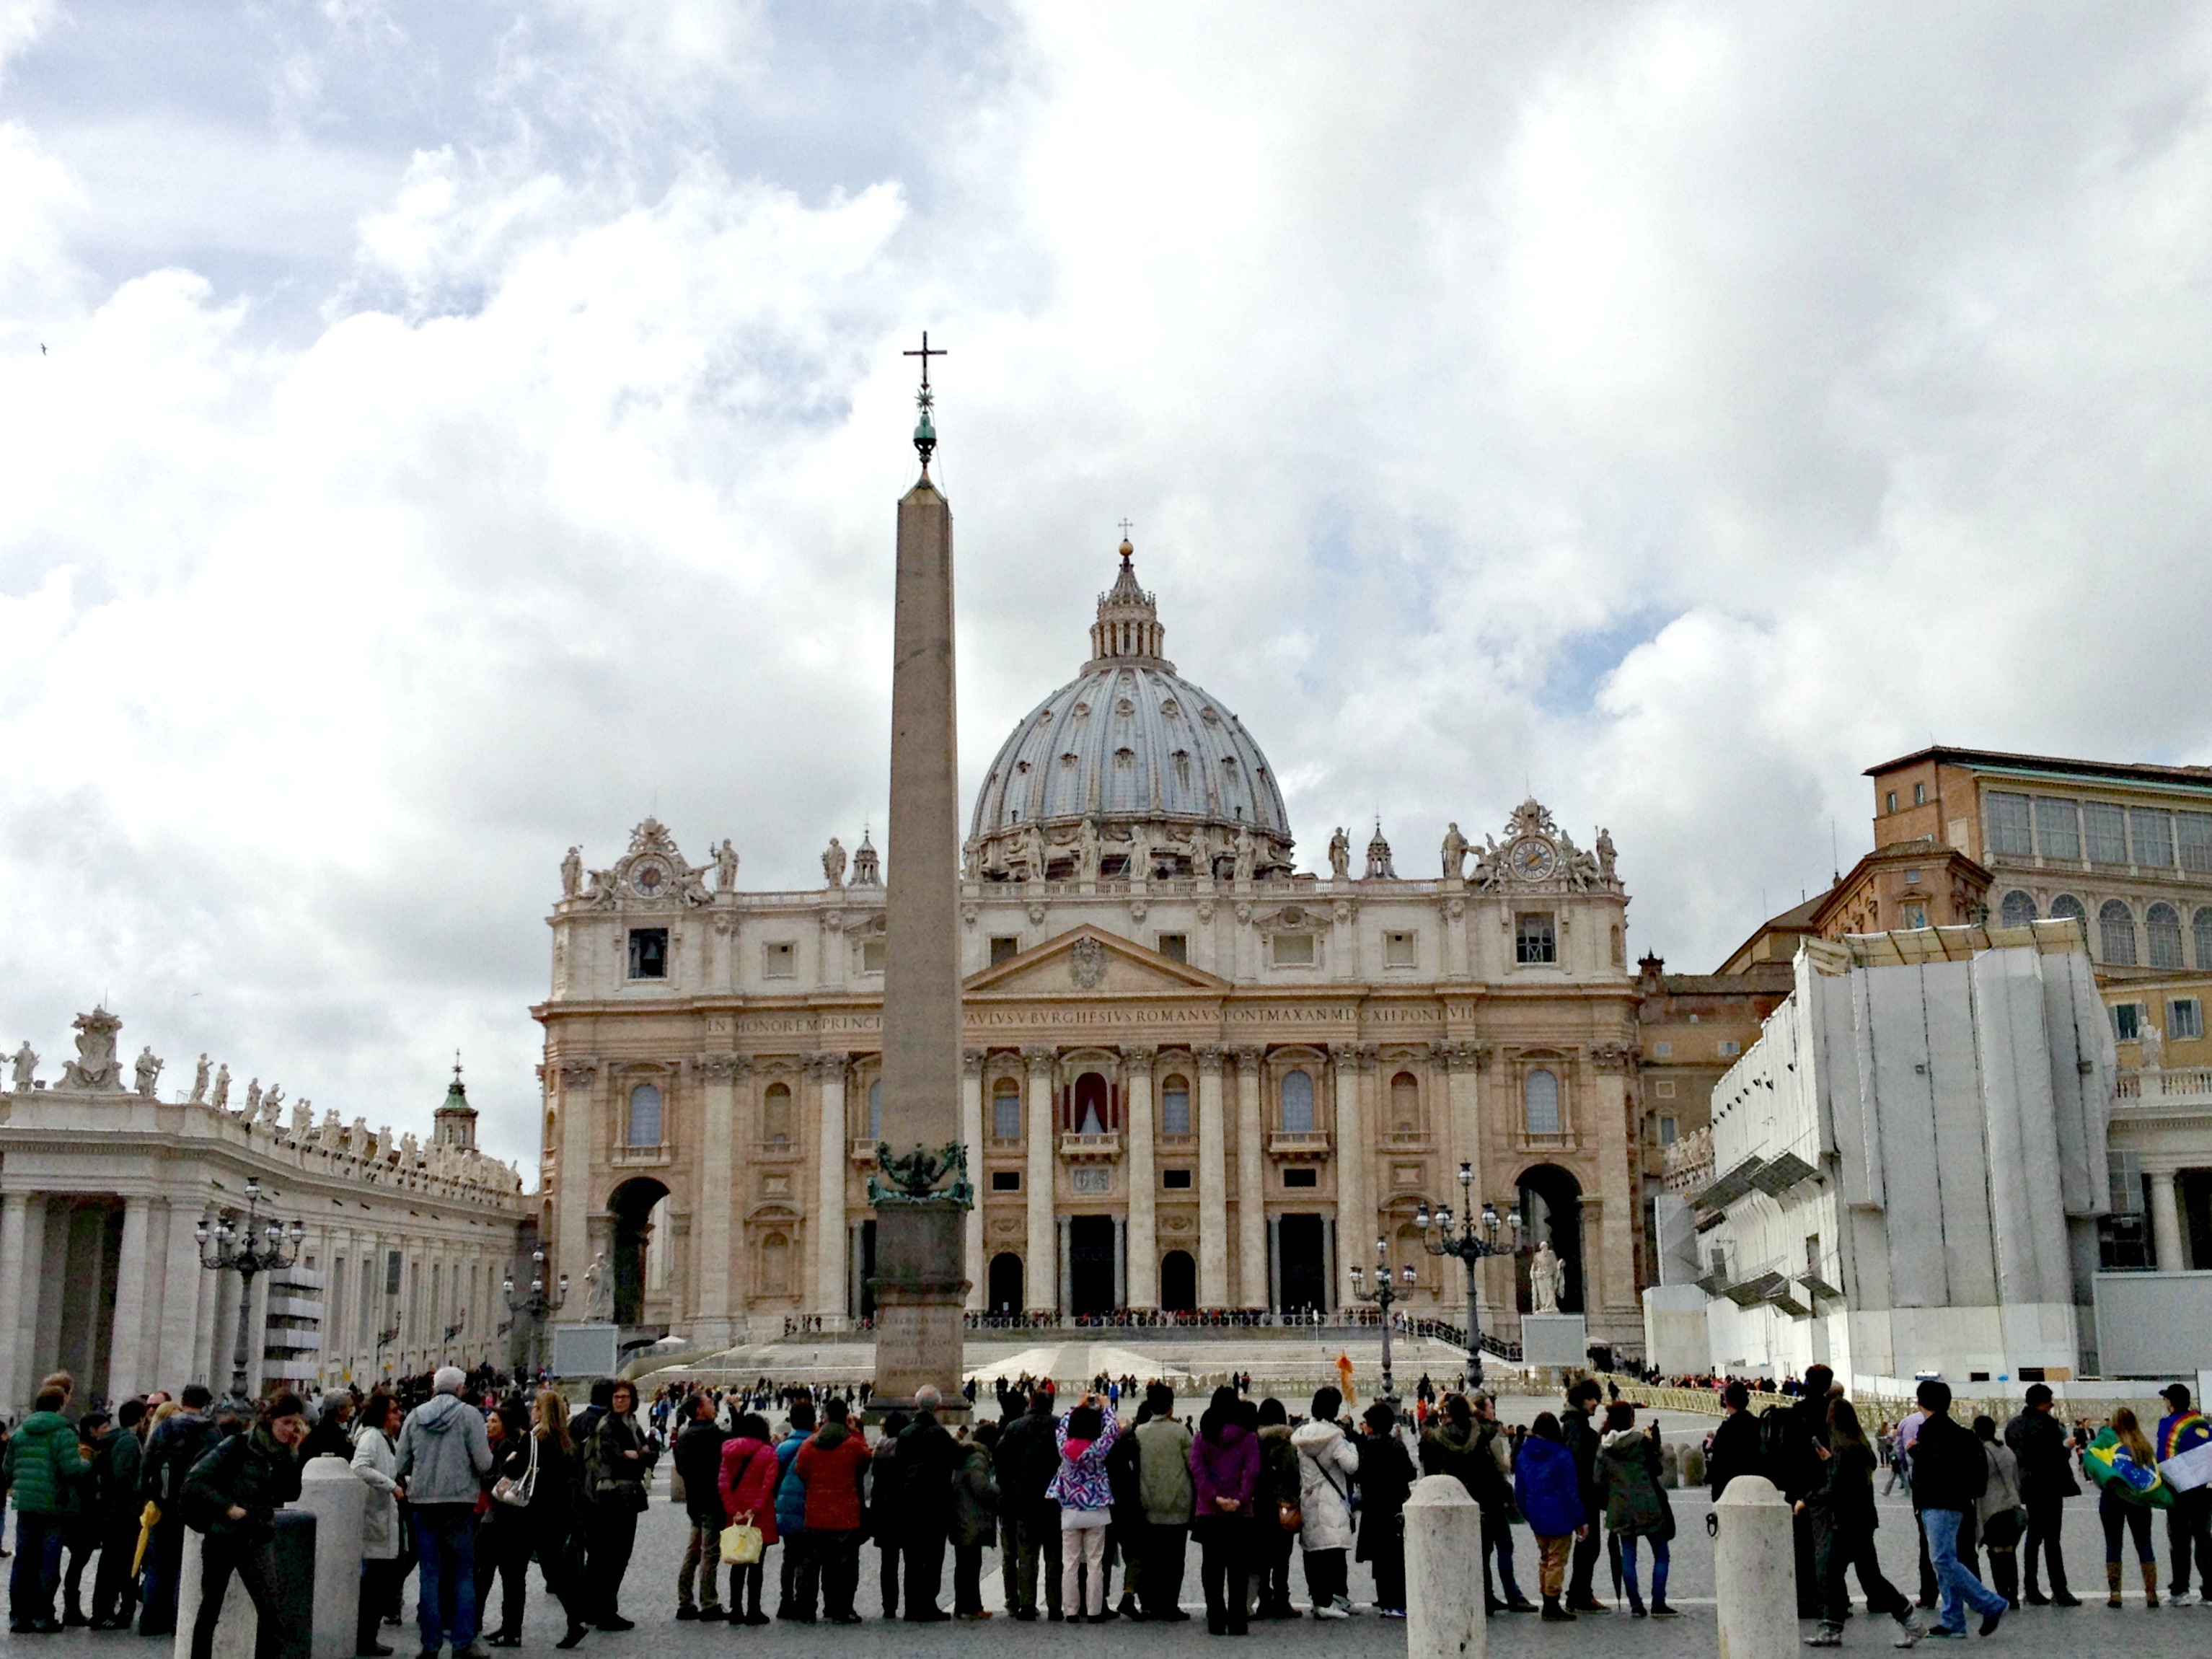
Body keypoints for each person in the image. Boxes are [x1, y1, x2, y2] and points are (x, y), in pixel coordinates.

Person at [182, 1391, 309, 1659]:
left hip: (257, 1538)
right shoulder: (238, 1445)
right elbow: (195, 1482)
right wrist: (228, 1507)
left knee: (271, 1611)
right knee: (210, 1608)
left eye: (295, 1423)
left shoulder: (283, 1453)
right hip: (223, 1537)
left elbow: (291, 1492)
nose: (290, 1429)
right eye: (286, 1422)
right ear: (271, 1419)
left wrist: (294, 1455)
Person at [396, 1365, 495, 1659]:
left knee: (430, 1573)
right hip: (459, 1502)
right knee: (463, 1573)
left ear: (433, 1388)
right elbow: (484, 1462)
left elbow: (401, 1463)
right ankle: (463, 1643)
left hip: (423, 1503)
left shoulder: (415, 1417)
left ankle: (430, 1644)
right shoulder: (469, 1416)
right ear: (460, 1388)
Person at [1802, 1397, 1918, 1649]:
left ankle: (1831, 1627)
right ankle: (1910, 1620)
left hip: (1846, 1521)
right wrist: (1831, 1461)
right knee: (1869, 1577)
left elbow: (1836, 1487)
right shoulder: (1860, 1447)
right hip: (1863, 1518)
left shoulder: (1844, 1450)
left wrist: (1808, 1499)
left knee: (1831, 1572)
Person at [1908, 1380, 2005, 1638]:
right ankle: (1953, 1620)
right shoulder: (1960, 1433)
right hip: (1958, 1502)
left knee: (1942, 1559)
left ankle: (1990, 1603)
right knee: (1946, 1559)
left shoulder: (1930, 1431)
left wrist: (1916, 1453)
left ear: (1920, 1403)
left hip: (1937, 1501)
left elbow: (1933, 1468)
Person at [6, 1378, 89, 1634]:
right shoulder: (63, 1432)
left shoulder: (20, 1432)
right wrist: (88, 1463)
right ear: (60, 1404)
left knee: (23, 1561)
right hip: (54, 1506)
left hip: (26, 1504)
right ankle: (43, 1615)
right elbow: (71, 1469)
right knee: (48, 1561)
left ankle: (19, 1616)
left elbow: (7, 1469)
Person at [138, 1382, 218, 1636]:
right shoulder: (211, 1431)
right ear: (206, 1404)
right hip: (195, 1506)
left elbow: (148, 1462)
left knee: (158, 1564)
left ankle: (150, 1620)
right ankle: (177, 1619)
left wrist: (150, 1495)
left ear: (183, 1401)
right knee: (188, 1564)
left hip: (164, 1503)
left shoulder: (166, 1427)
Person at [579, 1379, 653, 1632]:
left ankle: (598, 1608)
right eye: (616, 1396)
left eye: (624, 1396)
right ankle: (604, 1611)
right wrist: (637, 1456)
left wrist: (639, 1455)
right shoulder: (609, 1425)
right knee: (610, 1556)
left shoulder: (631, 1424)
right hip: (610, 1498)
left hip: (625, 1496)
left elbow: (650, 1454)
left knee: (614, 1556)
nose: (620, 1400)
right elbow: (620, 1461)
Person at [791, 1398, 871, 1624]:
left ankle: (805, 1608)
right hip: (845, 1513)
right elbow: (866, 1460)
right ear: (846, 1417)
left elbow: (801, 1471)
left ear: (825, 1417)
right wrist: (857, 1433)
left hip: (815, 1512)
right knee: (843, 1567)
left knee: (809, 1566)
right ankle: (840, 1608)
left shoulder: (809, 1444)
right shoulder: (853, 1444)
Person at [1187, 1384, 1257, 1636]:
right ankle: (1238, 1620)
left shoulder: (1202, 1437)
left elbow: (1197, 1471)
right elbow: (1251, 1471)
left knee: (1212, 1568)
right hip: (1241, 1513)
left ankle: (1216, 1618)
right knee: (1238, 1569)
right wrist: (1239, 1499)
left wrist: (1214, 1498)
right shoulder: (1248, 1437)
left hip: (1210, 1513)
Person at [524, 1389, 590, 1651]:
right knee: (558, 1568)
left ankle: (576, 1619)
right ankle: (576, 1618)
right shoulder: (566, 1440)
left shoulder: (538, 1439)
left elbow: (519, 1470)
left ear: (542, 1411)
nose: (531, 1411)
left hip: (541, 1512)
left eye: (535, 1407)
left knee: (552, 1570)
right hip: (562, 1512)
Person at [2003, 1382, 2079, 1606]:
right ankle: (2060, 1589)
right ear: (2043, 1403)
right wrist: (2067, 1447)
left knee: (2033, 1537)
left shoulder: (2014, 1426)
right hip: (2050, 1486)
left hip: (2027, 1487)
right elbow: (2054, 1456)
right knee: (2052, 1540)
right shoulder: (2047, 1426)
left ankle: (2031, 1588)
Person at [1046, 1392, 1120, 1622]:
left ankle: (1070, 1611)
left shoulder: (1063, 1448)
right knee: (1095, 1563)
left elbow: (1062, 1426)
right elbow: (1112, 1431)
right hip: (1096, 1509)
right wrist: (1106, 1408)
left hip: (1070, 1508)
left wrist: (1076, 1408)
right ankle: (1094, 1611)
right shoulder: (1097, 1450)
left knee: (1069, 1562)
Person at [1597, 1404, 1675, 1619]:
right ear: (1631, 1418)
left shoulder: (1605, 1446)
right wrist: (1654, 1444)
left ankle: (1636, 1605)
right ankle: (1658, 1603)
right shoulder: (1641, 1442)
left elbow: (1598, 1479)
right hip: (1647, 1504)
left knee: (1628, 1555)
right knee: (1661, 1553)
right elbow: (1657, 1469)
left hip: (1621, 1508)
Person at [994, 1389, 1063, 1621]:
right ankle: (1055, 1606)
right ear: (1051, 1404)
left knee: (1027, 1555)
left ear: (1031, 1403)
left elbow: (1000, 1461)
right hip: (1054, 1500)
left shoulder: (1014, 1427)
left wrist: (1010, 1490)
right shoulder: (1060, 1426)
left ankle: (1027, 1604)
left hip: (1024, 1501)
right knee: (1054, 1555)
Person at [1290, 1386, 1358, 1619]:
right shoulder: (1335, 1437)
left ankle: (1318, 1598)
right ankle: (1333, 1599)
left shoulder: (1302, 1436)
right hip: (1331, 1497)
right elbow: (1351, 1466)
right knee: (1334, 1551)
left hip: (1309, 1497)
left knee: (1313, 1551)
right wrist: (1352, 1446)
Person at [1513, 1411, 1586, 1623]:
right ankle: (1552, 1602)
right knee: (1556, 1560)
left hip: (1537, 1515)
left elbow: (1520, 1490)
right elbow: (1571, 1491)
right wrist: (1580, 1520)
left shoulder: (1524, 1454)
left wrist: (1528, 1513)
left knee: (1545, 1558)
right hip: (1560, 1516)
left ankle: (1547, 1598)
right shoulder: (1562, 1455)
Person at [896, 1386, 959, 1621]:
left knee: (912, 1558)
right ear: (939, 1407)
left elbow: (899, 1468)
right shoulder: (940, 1433)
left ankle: (912, 1607)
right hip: (935, 1504)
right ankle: (929, 1604)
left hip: (910, 1503)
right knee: (933, 1556)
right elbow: (957, 1456)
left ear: (916, 1405)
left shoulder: (905, 1433)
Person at [476, 1399, 535, 1646]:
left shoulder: (504, 1447)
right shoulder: (513, 1444)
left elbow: (499, 1481)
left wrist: (482, 1476)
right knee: (512, 1578)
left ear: (505, 1425)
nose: (488, 1424)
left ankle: (507, 1629)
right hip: (515, 1521)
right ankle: (510, 1628)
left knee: (489, 1573)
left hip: (501, 1521)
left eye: (494, 1420)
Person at [351, 1393, 406, 1659]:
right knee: (373, 1588)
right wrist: (391, 1485)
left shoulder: (388, 1440)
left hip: (385, 1519)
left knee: (379, 1585)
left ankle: (368, 1637)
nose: (398, 1416)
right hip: (375, 1519)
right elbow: (359, 1468)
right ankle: (364, 1639)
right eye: (394, 1411)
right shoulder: (372, 1437)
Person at [1134, 1383, 1194, 1621]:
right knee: (1174, 1560)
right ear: (1171, 1406)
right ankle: (1170, 1604)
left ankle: (1149, 1603)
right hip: (1177, 1504)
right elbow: (1192, 1466)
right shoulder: (1181, 1433)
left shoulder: (1139, 1433)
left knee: (1150, 1559)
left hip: (1147, 1504)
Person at [1781, 1365, 1836, 1617]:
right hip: (1828, 1485)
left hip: (1800, 1486)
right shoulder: (1833, 1412)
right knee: (1827, 1545)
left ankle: (1804, 1598)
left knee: (1802, 1546)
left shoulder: (1797, 1412)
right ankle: (1830, 1599)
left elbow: (1790, 1453)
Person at [716, 1412, 780, 1625]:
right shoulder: (768, 1453)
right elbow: (767, 1486)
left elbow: (723, 1484)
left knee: (737, 1563)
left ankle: (735, 1609)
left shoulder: (728, 1452)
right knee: (756, 1564)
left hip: (734, 1515)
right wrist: (754, 1509)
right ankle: (754, 1609)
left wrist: (733, 1510)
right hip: (758, 1517)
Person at [2096, 1407, 2163, 1609]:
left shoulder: (2109, 1444)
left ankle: (2115, 1593)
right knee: (2144, 1544)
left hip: (2112, 1498)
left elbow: (2097, 1469)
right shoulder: (2143, 1444)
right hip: (2139, 1500)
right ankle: (2151, 1593)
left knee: (2114, 1543)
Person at [671, 1392, 729, 1621]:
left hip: (694, 1502)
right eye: (709, 1403)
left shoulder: (685, 1437)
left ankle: (685, 1602)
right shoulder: (712, 1434)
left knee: (693, 1552)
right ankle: (709, 1603)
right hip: (713, 1502)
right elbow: (734, 1438)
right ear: (699, 1410)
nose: (714, 1406)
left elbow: (683, 1469)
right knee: (710, 1554)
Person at [89, 1398, 146, 1629]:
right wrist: (139, 1489)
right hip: (123, 1512)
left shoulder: (117, 1439)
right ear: (141, 1418)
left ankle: (105, 1610)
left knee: (112, 1562)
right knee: (118, 1563)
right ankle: (105, 1611)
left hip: (113, 1511)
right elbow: (123, 1476)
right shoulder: (129, 1441)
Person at [1354, 1401, 1414, 1619]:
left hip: (1372, 1507)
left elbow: (1357, 1474)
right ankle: (1397, 1601)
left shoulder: (1365, 1446)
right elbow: (1410, 1473)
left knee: (1379, 1557)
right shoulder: (1396, 1446)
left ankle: (1384, 1600)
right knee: (1395, 1557)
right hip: (1393, 1506)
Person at [2154, 1383, 2212, 1606]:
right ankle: (2209, 1591)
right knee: (2204, 1540)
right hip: (2205, 1492)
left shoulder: (2169, 1425)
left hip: (2180, 1492)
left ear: (2170, 1402)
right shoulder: (2203, 1425)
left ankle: (2180, 1590)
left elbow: (2164, 1458)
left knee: (2179, 1541)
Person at [1559, 1379, 1611, 1613]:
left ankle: (1579, 1592)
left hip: (1581, 1495)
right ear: (1582, 1400)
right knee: (1589, 1546)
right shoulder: (1578, 1429)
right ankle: (1580, 1594)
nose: (1596, 1403)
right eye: (1592, 1399)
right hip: (1583, 1495)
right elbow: (1580, 1464)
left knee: (1586, 1546)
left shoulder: (1573, 1424)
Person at [1248, 1397, 1298, 1620]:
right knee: (1281, 1557)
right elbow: (1292, 1475)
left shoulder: (1253, 1443)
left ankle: (1264, 1600)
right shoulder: (1285, 1444)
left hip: (1258, 1504)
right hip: (1281, 1506)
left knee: (1261, 1556)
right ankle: (1281, 1600)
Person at [770, 1399, 813, 1619]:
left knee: (789, 1556)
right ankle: (803, 1600)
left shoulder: (783, 1448)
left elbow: (774, 1480)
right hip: (810, 1508)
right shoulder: (816, 1444)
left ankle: (786, 1602)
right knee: (807, 1558)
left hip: (786, 1508)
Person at [951, 1422, 999, 1619]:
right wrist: (998, 1489)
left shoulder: (967, 1454)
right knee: (971, 1565)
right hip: (972, 1517)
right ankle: (971, 1606)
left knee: (964, 1565)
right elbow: (981, 1487)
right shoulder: (978, 1458)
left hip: (961, 1516)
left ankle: (964, 1605)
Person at [1973, 1416, 2022, 1609]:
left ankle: (2002, 1593)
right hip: (2010, 1506)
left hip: (1991, 1509)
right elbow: (2016, 1480)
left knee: (1996, 1554)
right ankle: (2014, 1595)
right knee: (2010, 1553)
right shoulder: (2007, 1451)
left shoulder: (1980, 1454)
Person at [868, 1410, 906, 1619]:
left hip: (885, 1513)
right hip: (906, 1511)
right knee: (913, 1560)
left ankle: (889, 1606)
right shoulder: (908, 1453)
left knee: (888, 1563)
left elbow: (875, 1488)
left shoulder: (879, 1453)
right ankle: (913, 1603)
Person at [1709, 1380, 1765, 1499]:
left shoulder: (1726, 1429)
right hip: (1758, 1484)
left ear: (1727, 1401)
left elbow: (1719, 1464)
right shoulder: (1758, 1424)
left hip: (1732, 1488)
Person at [303, 1391, 358, 1465]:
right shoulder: (334, 1434)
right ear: (340, 1410)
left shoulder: (319, 1429)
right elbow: (347, 1456)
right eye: (350, 1406)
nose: (352, 1410)